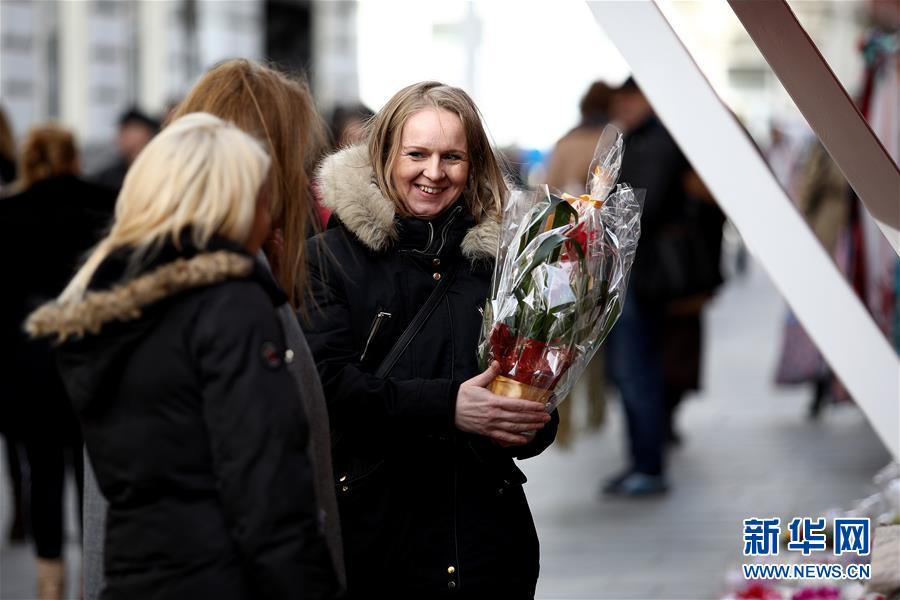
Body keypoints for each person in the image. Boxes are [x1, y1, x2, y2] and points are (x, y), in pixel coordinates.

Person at [26, 113, 338, 599]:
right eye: (260, 196)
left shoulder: (111, 308)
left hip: (136, 575)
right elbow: (269, 493)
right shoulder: (231, 304)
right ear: (228, 203)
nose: (270, 213)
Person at [303, 81, 559, 598]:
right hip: (379, 543)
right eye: (416, 154)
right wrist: (449, 406)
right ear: (383, 156)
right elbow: (327, 387)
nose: (434, 172)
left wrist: (529, 422)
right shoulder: (328, 259)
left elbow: (530, 396)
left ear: (475, 164)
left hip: (486, 542)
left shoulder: (502, 265)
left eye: (452, 157)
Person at [0, 123, 115, 599]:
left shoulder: (7, 214)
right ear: (74, 156)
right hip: (93, 357)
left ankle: (51, 582)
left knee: (41, 472)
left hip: (30, 362)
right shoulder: (104, 205)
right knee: (93, 472)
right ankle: (95, 574)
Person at [601, 77, 691, 497]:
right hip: (634, 270)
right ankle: (640, 460)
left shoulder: (656, 140)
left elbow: (641, 206)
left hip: (642, 272)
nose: (623, 107)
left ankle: (648, 465)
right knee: (630, 371)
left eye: (629, 98)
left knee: (636, 371)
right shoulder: (642, 137)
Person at [90, 107, 159, 193]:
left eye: (126, 130)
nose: (120, 136)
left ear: (145, 134)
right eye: (120, 131)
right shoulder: (107, 177)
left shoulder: (159, 173)